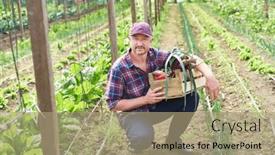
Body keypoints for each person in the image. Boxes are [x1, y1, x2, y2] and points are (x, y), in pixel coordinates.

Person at [105, 22, 219, 154]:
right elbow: (113, 104)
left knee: (191, 97)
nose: (140, 44)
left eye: (144, 39)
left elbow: (190, 59)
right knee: (142, 137)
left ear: (150, 40)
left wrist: (210, 77)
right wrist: (145, 99)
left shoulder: (155, 56)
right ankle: (137, 145)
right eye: (136, 39)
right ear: (129, 40)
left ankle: (173, 140)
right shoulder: (119, 68)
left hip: (155, 107)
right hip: (133, 114)